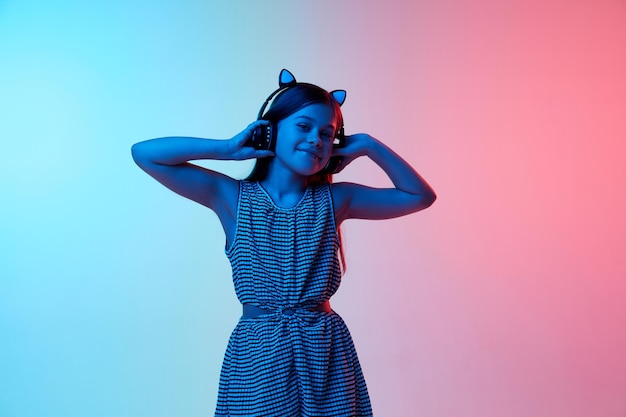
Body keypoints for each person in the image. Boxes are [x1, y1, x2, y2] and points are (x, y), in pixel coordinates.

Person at [131, 69, 436, 417]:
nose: (316, 140)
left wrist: (367, 144)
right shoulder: (231, 197)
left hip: (325, 351)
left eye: (328, 134)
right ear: (270, 130)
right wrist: (228, 149)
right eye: (304, 126)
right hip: (258, 352)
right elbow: (145, 154)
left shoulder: (336, 199)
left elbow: (419, 196)